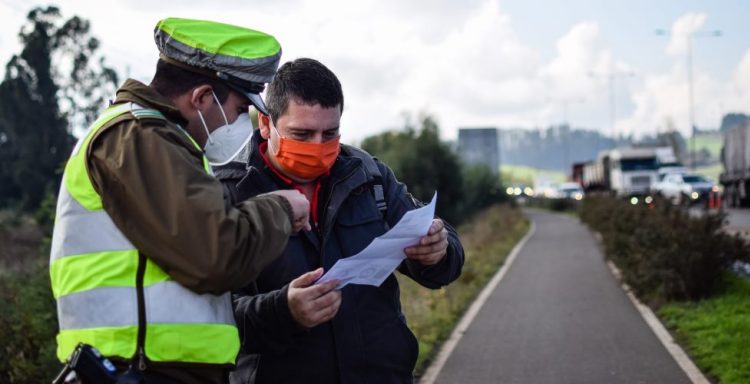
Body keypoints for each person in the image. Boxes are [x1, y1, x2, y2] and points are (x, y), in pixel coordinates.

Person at [48, 17, 315, 384]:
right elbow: (214, 253)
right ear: (203, 97)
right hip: (140, 370)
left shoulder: (163, 143)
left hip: (155, 369)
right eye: (239, 110)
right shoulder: (139, 137)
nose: (242, 123)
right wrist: (282, 207)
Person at [216, 58, 465, 384]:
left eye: (330, 133)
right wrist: (284, 311)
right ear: (266, 124)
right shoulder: (228, 194)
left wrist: (438, 250)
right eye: (302, 134)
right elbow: (210, 316)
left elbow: (442, 262)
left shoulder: (367, 174)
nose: (318, 147)